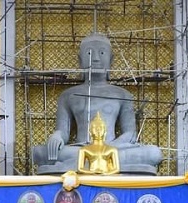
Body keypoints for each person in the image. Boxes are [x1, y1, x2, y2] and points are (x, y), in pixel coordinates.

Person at [31, 33, 162, 175]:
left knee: (153, 153)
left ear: (111, 59)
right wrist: (57, 136)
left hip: (112, 148)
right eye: (89, 53)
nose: (95, 58)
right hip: (82, 148)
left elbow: (130, 133)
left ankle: (81, 163)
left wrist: (106, 149)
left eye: (102, 53)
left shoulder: (122, 94)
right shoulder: (68, 95)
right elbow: (63, 132)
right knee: (38, 153)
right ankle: (93, 162)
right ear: (80, 60)